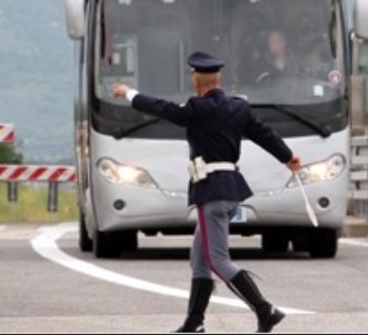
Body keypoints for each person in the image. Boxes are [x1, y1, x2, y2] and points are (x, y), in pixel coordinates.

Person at [113, 51, 301, 333]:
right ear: (219, 79)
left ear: (196, 80)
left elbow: (162, 108)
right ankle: (194, 322)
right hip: (230, 188)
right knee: (200, 259)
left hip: (210, 191)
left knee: (217, 259)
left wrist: (130, 93)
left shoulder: (197, 109)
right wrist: (288, 157)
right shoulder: (239, 108)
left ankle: (264, 309)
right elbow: (264, 134)